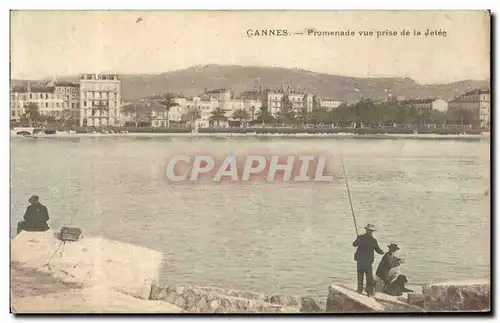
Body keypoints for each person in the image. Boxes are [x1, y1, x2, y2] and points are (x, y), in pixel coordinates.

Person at [352, 223, 384, 296]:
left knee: (360, 275)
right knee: (369, 276)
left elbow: (354, 244)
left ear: (366, 230)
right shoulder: (373, 240)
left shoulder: (360, 237)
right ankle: (370, 292)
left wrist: (358, 239)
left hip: (360, 260)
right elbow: (378, 250)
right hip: (368, 261)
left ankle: (359, 290)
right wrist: (383, 252)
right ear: (372, 231)